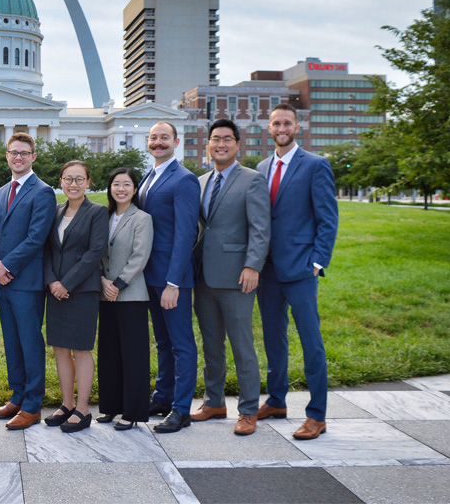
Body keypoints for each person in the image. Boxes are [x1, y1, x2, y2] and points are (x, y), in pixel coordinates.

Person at [256, 104, 338, 440]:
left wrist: (318, 262)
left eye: (287, 122)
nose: (282, 127)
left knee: (311, 342)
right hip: (268, 269)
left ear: (297, 126)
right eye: (276, 122)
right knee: (274, 339)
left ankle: (316, 415)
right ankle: (276, 401)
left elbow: (327, 219)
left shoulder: (316, 166)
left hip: (302, 268)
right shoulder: (261, 167)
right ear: (269, 128)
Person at [190, 120, 270, 436]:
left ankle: (249, 410)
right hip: (203, 276)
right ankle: (214, 401)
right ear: (208, 144)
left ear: (237, 144)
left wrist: (253, 266)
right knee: (211, 344)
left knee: (242, 345)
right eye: (215, 139)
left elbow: (261, 228)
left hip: (238, 277)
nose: (220, 144)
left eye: (227, 139)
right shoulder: (200, 181)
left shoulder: (252, 180)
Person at [0, 132, 57, 430]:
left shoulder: (43, 192)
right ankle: (16, 396)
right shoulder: (3, 191)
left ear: (33, 157)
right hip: (3, 280)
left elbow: (36, 237)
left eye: (24, 153)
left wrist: (8, 265)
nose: (18, 157)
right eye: (13, 152)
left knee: (30, 342)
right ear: (7, 155)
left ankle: (32, 405)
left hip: (26, 280)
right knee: (12, 341)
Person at [136, 121, 201, 434]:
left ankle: (182, 409)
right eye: (153, 138)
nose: (158, 142)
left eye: (164, 138)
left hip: (172, 279)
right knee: (162, 341)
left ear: (176, 141)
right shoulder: (149, 176)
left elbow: (186, 233)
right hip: (149, 276)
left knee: (181, 344)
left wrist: (174, 282)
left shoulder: (184, 180)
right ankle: (163, 397)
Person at [42, 161, 108, 433]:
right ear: (60, 181)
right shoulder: (55, 212)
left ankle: (83, 408)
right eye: (68, 179)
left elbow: (95, 253)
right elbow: (46, 250)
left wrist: (66, 283)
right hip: (55, 290)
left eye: (79, 179)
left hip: (82, 290)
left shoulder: (97, 212)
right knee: (59, 348)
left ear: (89, 182)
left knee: (81, 348)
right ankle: (67, 403)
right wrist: (52, 282)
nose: (73, 184)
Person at [97, 167, 154, 430]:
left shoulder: (142, 218)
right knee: (109, 353)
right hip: (105, 294)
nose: (121, 189)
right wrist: (103, 282)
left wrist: (118, 284)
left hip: (131, 294)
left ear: (134, 189)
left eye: (126, 184)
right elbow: (97, 253)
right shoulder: (104, 216)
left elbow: (139, 257)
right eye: (116, 184)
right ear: (110, 188)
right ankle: (110, 407)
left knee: (134, 355)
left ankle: (132, 411)